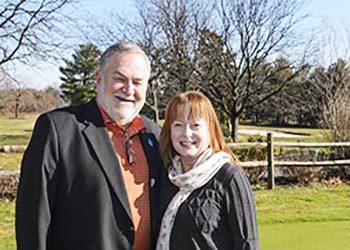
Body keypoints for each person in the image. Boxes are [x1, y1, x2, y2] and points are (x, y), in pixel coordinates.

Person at [16, 42, 166, 250]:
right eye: (120, 79)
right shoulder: (58, 129)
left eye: (138, 82)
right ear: (99, 79)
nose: (129, 89)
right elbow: (33, 217)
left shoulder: (155, 135)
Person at [156, 91, 260, 250]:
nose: (186, 133)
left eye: (195, 125)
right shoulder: (166, 175)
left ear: (210, 129)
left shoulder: (229, 177)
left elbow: (248, 243)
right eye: (178, 125)